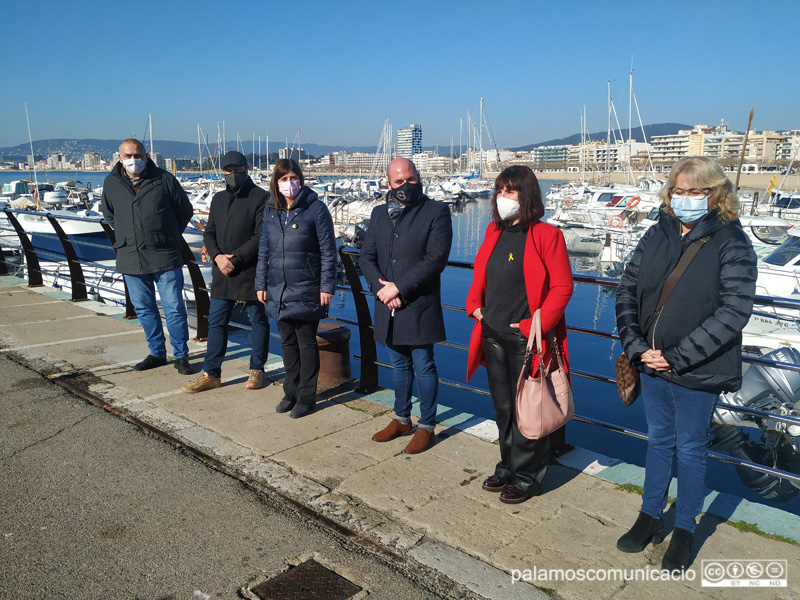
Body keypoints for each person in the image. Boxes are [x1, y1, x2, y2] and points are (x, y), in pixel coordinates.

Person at [615, 157, 757, 571]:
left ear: (716, 194)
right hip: (650, 362)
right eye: (680, 190)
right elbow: (627, 288)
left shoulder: (732, 241)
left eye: (697, 191)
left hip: (698, 368)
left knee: (692, 448)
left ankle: (684, 528)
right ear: (669, 192)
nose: (687, 198)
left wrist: (675, 357)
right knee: (659, 440)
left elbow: (735, 310)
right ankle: (648, 515)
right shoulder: (656, 232)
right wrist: (636, 345)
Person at [465, 165, 573, 503]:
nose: (502, 198)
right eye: (499, 191)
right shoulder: (492, 231)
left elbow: (562, 287)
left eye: (510, 191)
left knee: (530, 408)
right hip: (492, 333)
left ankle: (529, 476)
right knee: (503, 408)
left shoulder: (546, 235)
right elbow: (482, 275)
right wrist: (475, 308)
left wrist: (533, 325)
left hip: (528, 340)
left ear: (526, 196)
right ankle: (509, 464)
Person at [360, 158, 453, 454]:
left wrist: (398, 287)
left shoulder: (437, 212)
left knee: (424, 365)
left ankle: (426, 425)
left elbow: (436, 259)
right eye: (398, 182)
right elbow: (366, 258)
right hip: (388, 304)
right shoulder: (378, 214)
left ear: (419, 177)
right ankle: (401, 419)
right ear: (388, 184)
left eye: (410, 179)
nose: (405, 186)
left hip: (419, 302)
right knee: (398, 364)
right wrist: (381, 289)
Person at [100, 138, 195, 375]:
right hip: (131, 256)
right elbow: (109, 214)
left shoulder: (164, 179)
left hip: (165, 255)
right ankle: (156, 353)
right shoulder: (111, 182)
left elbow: (185, 210)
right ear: (119, 157)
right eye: (128, 156)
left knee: (173, 307)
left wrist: (168, 235)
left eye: (138, 155)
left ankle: (181, 355)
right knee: (144, 308)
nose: (134, 160)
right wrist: (125, 235)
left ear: (146, 155)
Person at [181, 151, 270, 393]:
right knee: (217, 322)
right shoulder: (219, 199)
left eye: (236, 169)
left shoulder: (262, 197)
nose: (232, 174)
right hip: (222, 271)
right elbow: (208, 232)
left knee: (258, 321)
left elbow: (260, 236)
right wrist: (217, 256)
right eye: (227, 170)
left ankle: (257, 370)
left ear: (246, 168)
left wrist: (236, 258)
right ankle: (211, 373)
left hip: (251, 271)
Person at [255, 159, 336, 419]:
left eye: (293, 178)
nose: (289, 184)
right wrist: (261, 284)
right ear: (275, 183)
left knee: (306, 343)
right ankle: (289, 392)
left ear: (300, 179)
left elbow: (328, 251)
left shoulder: (316, 209)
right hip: (278, 288)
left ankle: (306, 396)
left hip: (307, 287)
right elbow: (264, 251)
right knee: (287, 344)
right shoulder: (270, 211)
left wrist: (326, 287)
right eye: (283, 179)